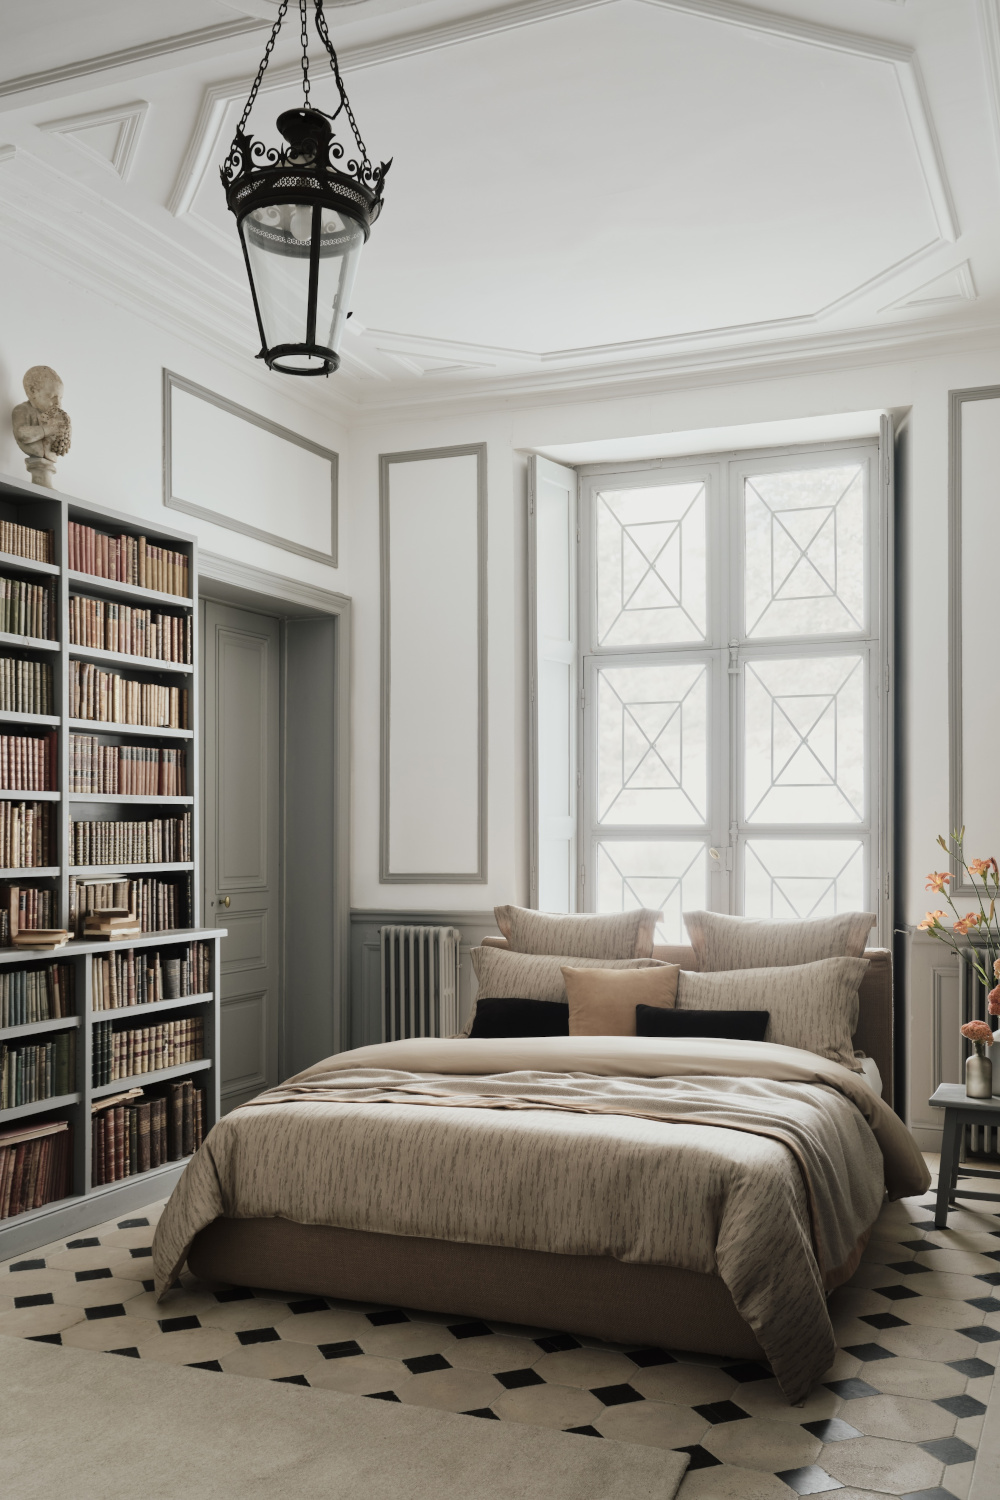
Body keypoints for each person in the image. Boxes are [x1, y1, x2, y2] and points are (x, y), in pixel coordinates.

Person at [11, 366, 71, 486]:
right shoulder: (22, 410)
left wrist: (63, 427)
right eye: (52, 397)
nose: (58, 403)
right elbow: (21, 433)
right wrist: (48, 429)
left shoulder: (57, 417)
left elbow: (62, 440)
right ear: (33, 392)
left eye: (60, 398)